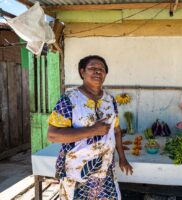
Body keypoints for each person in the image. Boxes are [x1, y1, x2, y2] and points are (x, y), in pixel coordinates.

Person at [47, 55, 133, 199]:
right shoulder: (69, 99)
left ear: (105, 74)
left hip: (105, 170)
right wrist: (92, 130)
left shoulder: (110, 100)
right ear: (82, 72)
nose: (97, 72)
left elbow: (116, 131)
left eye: (101, 69)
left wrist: (122, 158)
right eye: (92, 68)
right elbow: (53, 135)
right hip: (77, 172)